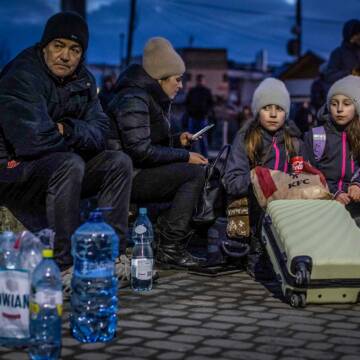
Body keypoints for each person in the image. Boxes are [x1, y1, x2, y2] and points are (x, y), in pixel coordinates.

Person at [0, 12, 132, 274]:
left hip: (57, 164)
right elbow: (32, 141)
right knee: (69, 163)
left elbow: (101, 133)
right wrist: (77, 137)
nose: (65, 56)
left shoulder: (84, 80)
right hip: (12, 169)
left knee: (118, 162)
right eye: (58, 46)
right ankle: (65, 263)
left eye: (74, 49)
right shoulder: (22, 75)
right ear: (45, 46)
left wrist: (67, 129)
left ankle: (111, 254)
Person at [107, 37, 207, 269]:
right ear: (160, 78)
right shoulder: (134, 97)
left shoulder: (148, 96)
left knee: (198, 169)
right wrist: (183, 156)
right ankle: (170, 247)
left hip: (138, 170)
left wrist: (178, 141)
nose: (181, 86)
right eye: (177, 80)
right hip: (127, 176)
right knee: (194, 174)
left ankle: (166, 239)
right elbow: (139, 150)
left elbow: (146, 141)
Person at [224, 78, 307, 279]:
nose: (272, 114)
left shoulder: (294, 141)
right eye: (266, 108)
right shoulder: (246, 138)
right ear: (256, 111)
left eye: (278, 109)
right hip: (254, 206)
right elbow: (232, 182)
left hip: (285, 209)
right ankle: (256, 252)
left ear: (286, 113)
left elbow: (302, 177)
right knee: (264, 206)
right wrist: (256, 178)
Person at [304, 75, 360, 225]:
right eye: (334, 104)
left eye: (347, 103)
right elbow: (306, 172)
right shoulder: (316, 136)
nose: (340, 109)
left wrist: (357, 184)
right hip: (324, 209)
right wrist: (333, 192)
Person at [324, 19, 360, 87]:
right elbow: (329, 76)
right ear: (349, 35)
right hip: (347, 93)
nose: (359, 37)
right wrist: (350, 73)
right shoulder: (338, 53)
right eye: (356, 34)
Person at [185, 74, 214, 157]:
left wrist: (206, 113)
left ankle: (205, 157)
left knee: (203, 140)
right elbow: (187, 102)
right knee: (191, 139)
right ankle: (191, 156)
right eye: (199, 80)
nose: (201, 82)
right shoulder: (192, 91)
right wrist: (189, 112)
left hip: (202, 118)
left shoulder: (207, 91)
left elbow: (211, 104)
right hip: (193, 117)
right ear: (197, 81)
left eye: (202, 80)